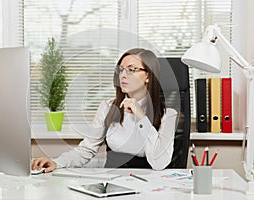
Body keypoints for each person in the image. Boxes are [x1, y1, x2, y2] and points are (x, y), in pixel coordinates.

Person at [32, 48, 178, 173]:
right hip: (111, 184)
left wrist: (141, 116)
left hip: (148, 188)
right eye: (121, 69)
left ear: (148, 76)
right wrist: (57, 163)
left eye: (131, 70)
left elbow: (159, 163)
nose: (123, 75)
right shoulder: (108, 108)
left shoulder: (168, 115)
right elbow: (86, 150)